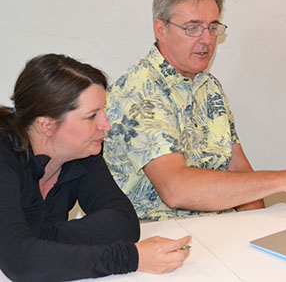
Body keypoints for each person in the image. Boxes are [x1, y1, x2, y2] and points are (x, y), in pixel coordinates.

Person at [104, 0, 286, 221]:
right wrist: (285, 179)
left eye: (213, 27)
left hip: (217, 230)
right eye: (192, 28)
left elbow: (237, 169)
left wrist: (259, 233)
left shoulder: (209, 85)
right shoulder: (139, 90)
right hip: (154, 239)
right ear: (161, 30)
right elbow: (176, 190)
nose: (206, 39)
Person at [0, 54, 191, 281]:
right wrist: (131, 258)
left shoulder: (82, 150)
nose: (106, 125)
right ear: (47, 124)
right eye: (92, 116)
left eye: (103, 111)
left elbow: (125, 224)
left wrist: (33, 239)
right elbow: (21, 264)